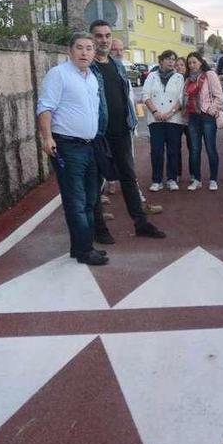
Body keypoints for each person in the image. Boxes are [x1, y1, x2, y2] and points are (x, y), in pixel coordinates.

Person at [88, 20, 166, 243]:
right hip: (98, 133)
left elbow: (124, 95)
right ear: (92, 38)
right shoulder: (88, 68)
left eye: (107, 35)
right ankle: (99, 228)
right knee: (95, 181)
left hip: (121, 130)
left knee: (128, 177)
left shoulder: (117, 64)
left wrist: (131, 121)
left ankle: (141, 223)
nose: (104, 40)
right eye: (99, 36)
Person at [36, 33, 108, 265]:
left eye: (89, 48)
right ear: (70, 50)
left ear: (94, 53)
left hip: (89, 146)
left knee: (89, 199)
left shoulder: (91, 78)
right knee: (76, 201)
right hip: (67, 146)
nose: (85, 52)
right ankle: (85, 251)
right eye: (80, 48)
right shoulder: (58, 75)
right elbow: (45, 107)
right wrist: (47, 138)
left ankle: (80, 247)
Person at [143, 50, 185, 191]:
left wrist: (170, 113)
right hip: (155, 120)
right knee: (156, 150)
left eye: (173, 59)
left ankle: (172, 179)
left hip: (174, 120)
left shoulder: (179, 78)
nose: (171, 62)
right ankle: (157, 180)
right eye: (168, 59)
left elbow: (181, 99)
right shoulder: (152, 76)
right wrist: (155, 112)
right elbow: (145, 95)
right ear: (161, 61)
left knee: (173, 150)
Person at [183, 52, 223, 191]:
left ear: (201, 62)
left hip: (207, 116)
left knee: (210, 148)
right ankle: (197, 179)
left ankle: (213, 179)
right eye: (189, 63)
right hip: (193, 117)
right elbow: (184, 97)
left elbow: (219, 96)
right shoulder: (188, 79)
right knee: (194, 149)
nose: (192, 65)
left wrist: (211, 110)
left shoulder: (209, 75)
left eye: (194, 62)